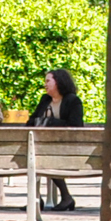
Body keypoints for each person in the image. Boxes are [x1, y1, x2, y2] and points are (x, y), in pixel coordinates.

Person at [29, 68, 85, 211]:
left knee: (44, 159)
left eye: (48, 81)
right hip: (45, 147)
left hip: (69, 148)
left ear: (58, 82)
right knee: (34, 156)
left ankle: (64, 197)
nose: (45, 84)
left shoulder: (73, 101)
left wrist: (48, 122)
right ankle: (38, 198)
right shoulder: (45, 100)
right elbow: (31, 122)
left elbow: (76, 125)